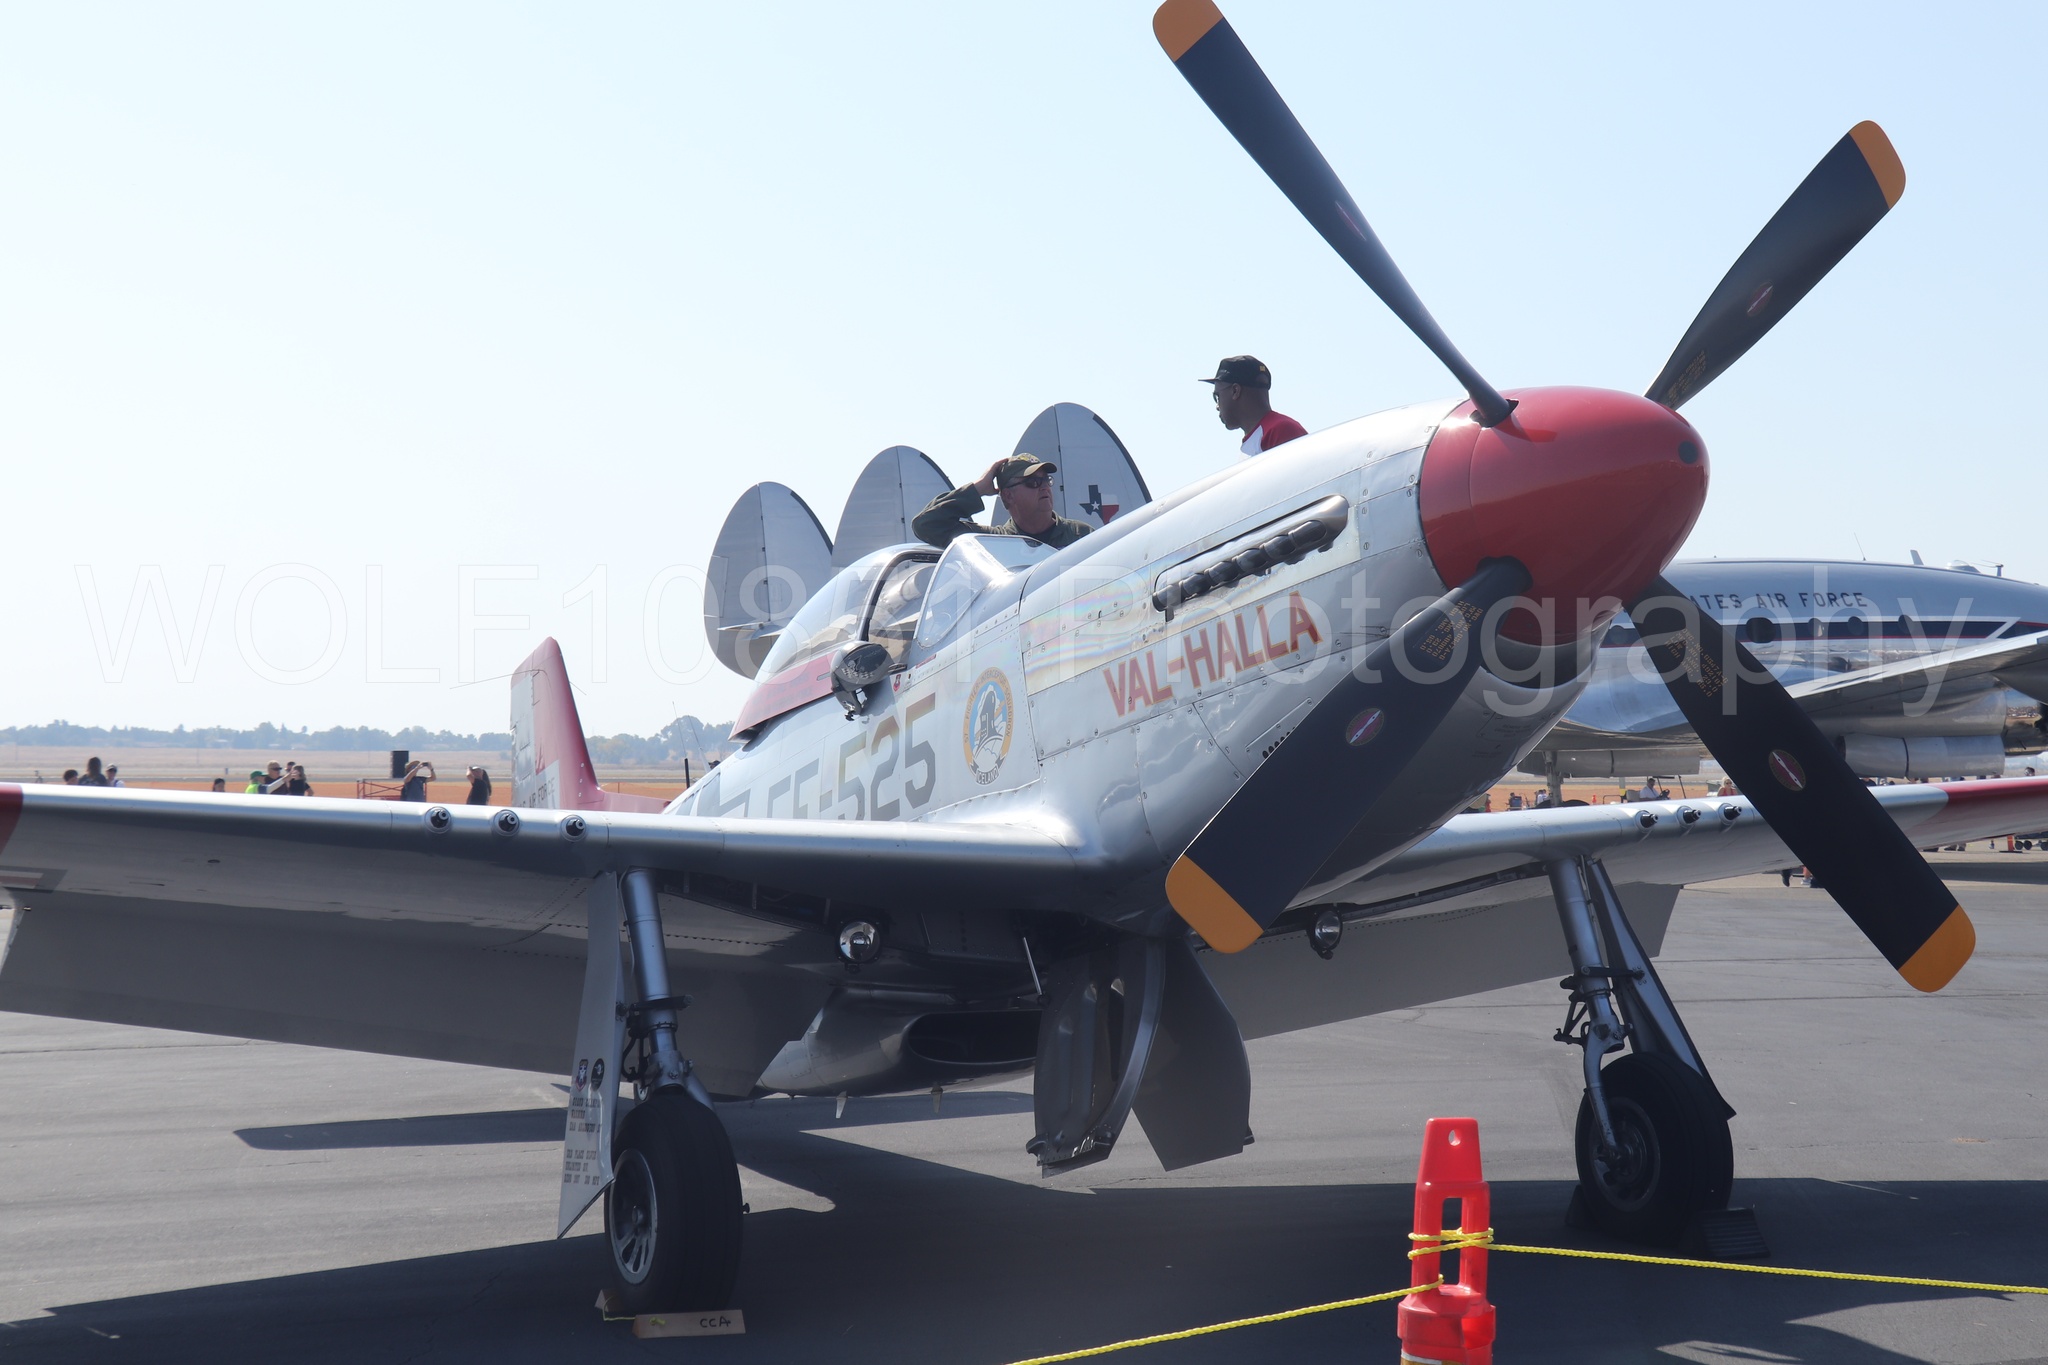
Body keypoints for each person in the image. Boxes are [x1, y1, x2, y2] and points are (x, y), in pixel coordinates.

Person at [912, 455, 1093, 550]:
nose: (1044, 487)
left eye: (1047, 480)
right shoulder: (992, 543)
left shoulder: (1080, 535)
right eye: (1033, 482)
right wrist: (978, 489)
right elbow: (926, 525)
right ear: (1007, 496)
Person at [1202, 355, 1306, 457]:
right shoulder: (1259, 438)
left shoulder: (1280, 430)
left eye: (1217, 396)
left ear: (1235, 391)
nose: (1217, 406)